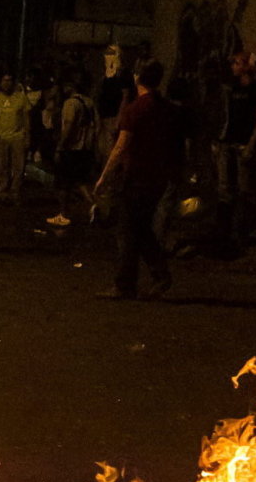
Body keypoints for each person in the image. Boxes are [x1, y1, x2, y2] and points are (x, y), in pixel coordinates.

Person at [94, 59, 184, 299]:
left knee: (126, 231)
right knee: (142, 228)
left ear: (137, 77)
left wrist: (104, 176)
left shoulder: (135, 109)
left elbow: (121, 146)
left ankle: (125, 284)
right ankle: (159, 274)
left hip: (135, 178)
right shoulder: (166, 108)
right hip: (157, 178)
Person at [216, 51, 256, 251]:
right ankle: (224, 232)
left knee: (244, 189)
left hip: (243, 144)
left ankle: (243, 232)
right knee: (224, 189)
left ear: (247, 66)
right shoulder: (234, 89)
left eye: (237, 63)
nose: (233, 67)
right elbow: (228, 115)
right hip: (228, 143)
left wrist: (252, 145)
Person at [47, 72, 97, 227]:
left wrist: (61, 146)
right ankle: (93, 204)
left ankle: (64, 214)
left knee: (63, 183)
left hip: (71, 148)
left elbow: (68, 125)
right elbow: (97, 125)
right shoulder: (89, 102)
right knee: (80, 181)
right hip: (85, 148)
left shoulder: (70, 103)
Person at [0, 69, 32, 203]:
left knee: (18, 167)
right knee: (1, 166)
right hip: (0, 137)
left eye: (9, 80)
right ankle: (1, 192)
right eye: (4, 81)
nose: (7, 84)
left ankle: (15, 192)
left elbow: (26, 118)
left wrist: (27, 136)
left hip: (17, 137)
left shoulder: (21, 97)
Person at [95, 44, 133, 161]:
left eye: (111, 53)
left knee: (111, 151)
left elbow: (125, 96)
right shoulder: (106, 73)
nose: (108, 56)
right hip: (104, 116)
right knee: (103, 148)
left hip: (114, 116)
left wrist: (119, 118)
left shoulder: (123, 73)